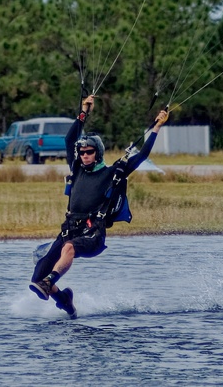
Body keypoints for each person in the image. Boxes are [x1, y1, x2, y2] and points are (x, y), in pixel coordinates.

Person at [29, 94, 169, 318]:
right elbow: (69, 140)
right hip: (70, 229)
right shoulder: (77, 168)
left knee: (68, 250)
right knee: (36, 277)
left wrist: (157, 127)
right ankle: (64, 299)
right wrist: (84, 111)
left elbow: (142, 155)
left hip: (93, 232)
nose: (84, 156)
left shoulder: (112, 173)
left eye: (89, 152)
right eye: (82, 152)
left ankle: (50, 283)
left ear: (98, 153)